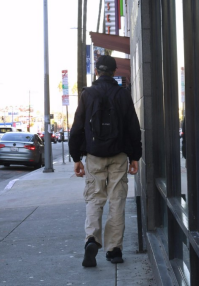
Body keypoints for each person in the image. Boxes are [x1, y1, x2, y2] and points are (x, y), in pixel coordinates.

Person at [69, 55, 142, 268]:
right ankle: (114, 250)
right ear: (114, 71)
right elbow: (133, 128)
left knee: (94, 198)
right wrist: (135, 156)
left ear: (97, 72)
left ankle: (92, 239)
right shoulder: (122, 94)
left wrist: (76, 158)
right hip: (119, 155)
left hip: (94, 156)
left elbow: (77, 128)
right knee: (117, 200)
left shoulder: (87, 94)